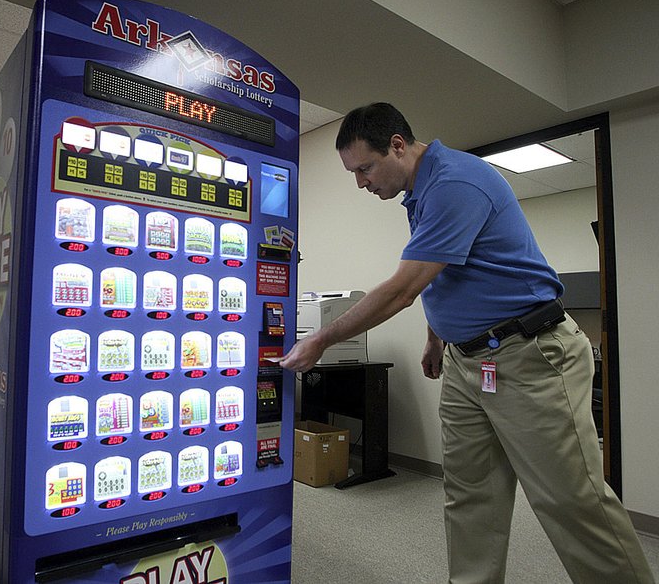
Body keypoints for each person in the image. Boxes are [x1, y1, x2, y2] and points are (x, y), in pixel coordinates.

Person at [279, 102, 655, 583]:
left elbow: (403, 288)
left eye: (364, 168)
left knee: (570, 498)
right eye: (354, 173)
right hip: (466, 361)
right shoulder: (419, 192)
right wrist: (436, 338)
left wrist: (322, 339)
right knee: (470, 496)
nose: (361, 182)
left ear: (397, 145)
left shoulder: (455, 181)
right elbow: (446, 275)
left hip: (530, 353)